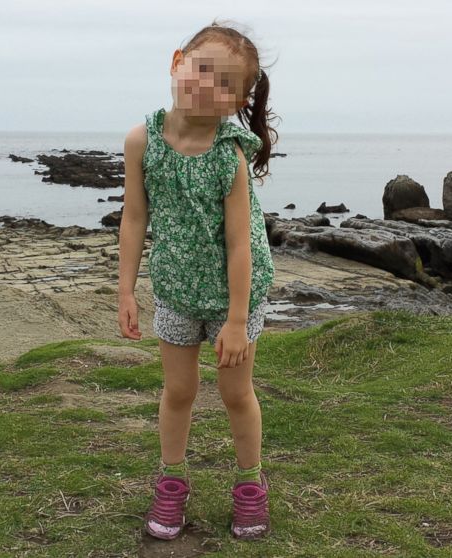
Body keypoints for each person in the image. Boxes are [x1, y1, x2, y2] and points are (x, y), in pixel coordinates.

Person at [116, 20, 278, 541]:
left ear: (236, 102)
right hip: (175, 290)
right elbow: (134, 218)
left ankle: (250, 486)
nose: (208, 85)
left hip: (235, 294)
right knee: (179, 390)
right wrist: (126, 290)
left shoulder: (228, 154)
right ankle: (172, 482)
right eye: (201, 68)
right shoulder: (142, 140)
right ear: (176, 61)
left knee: (236, 393)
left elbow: (240, 243)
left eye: (225, 82)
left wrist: (236, 319)